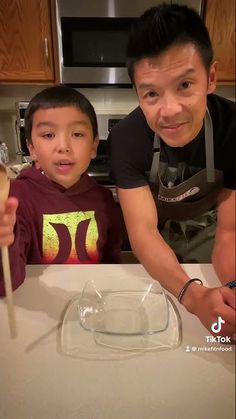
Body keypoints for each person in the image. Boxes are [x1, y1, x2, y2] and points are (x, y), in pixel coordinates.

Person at [108, 4, 236, 339]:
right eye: (151, 93)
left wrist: (232, 290)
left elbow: (229, 231)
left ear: (210, 78)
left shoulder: (234, 129)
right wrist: (194, 297)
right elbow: (143, 233)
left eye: (184, 86)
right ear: (137, 92)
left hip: (213, 244)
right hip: (158, 256)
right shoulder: (126, 138)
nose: (169, 110)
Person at [0, 86, 121, 296]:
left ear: (93, 146)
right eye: (48, 135)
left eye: (77, 134)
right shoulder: (17, 199)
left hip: (90, 305)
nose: (63, 146)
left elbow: (112, 261)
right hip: (39, 306)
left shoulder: (103, 198)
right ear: (32, 149)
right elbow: (8, 283)